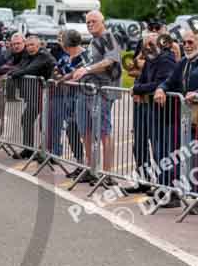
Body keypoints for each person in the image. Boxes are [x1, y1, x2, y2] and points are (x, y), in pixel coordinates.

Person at [154, 30, 198, 213]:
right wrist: (161, 89)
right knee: (189, 159)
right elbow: (170, 80)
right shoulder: (184, 62)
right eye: (184, 42)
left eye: (191, 41)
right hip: (192, 118)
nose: (187, 45)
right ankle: (192, 195)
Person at [72, 11, 123, 182]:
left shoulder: (109, 38)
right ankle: (90, 167)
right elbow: (87, 63)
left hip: (103, 92)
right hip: (86, 91)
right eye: (87, 22)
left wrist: (86, 70)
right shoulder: (93, 41)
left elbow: (109, 61)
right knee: (85, 130)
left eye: (93, 21)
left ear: (103, 22)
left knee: (103, 131)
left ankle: (108, 174)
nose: (90, 24)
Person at [128, 32, 177, 200]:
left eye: (151, 43)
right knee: (140, 145)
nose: (147, 47)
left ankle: (166, 189)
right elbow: (139, 80)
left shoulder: (166, 58)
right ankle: (146, 181)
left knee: (161, 150)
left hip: (162, 111)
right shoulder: (150, 58)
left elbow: (163, 83)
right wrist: (138, 88)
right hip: (147, 107)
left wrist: (139, 90)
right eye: (145, 44)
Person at [10, 35, 56, 160]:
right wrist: (13, 72)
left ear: (39, 45)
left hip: (49, 93)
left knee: (46, 123)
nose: (30, 48)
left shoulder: (43, 55)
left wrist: (13, 74)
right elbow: (20, 67)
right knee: (27, 119)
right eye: (28, 45)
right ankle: (28, 149)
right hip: (35, 94)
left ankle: (48, 151)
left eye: (32, 45)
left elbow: (30, 69)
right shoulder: (27, 56)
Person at [49, 30, 89, 174]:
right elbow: (55, 71)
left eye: (61, 40)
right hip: (68, 99)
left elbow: (82, 76)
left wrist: (66, 79)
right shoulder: (65, 58)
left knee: (86, 133)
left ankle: (90, 167)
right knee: (71, 132)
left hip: (84, 98)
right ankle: (80, 163)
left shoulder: (85, 56)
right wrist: (61, 77)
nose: (60, 42)